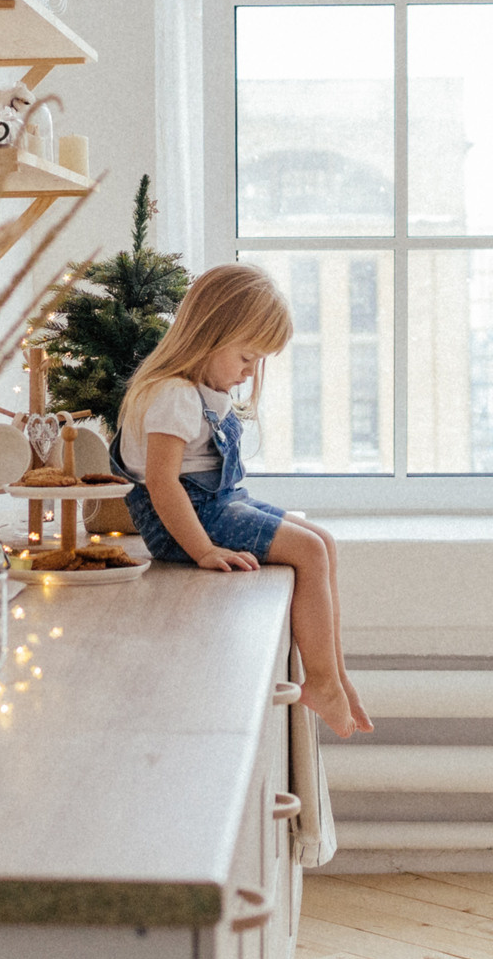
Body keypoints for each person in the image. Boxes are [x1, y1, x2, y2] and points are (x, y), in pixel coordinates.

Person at [110, 264, 373, 736]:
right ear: (210, 335)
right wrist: (203, 550)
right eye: (247, 357)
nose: (250, 371)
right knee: (310, 550)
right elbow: (163, 483)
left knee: (322, 542)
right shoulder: (173, 395)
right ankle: (325, 681)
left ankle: (334, 674)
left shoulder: (198, 391)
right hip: (186, 522)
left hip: (217, 503)